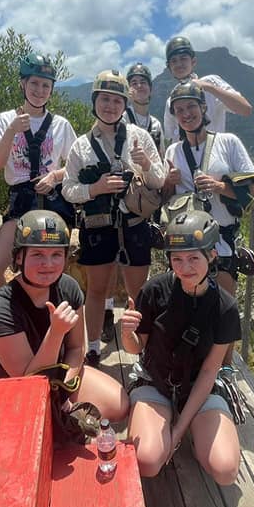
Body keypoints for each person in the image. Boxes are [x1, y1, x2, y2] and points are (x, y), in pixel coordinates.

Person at [120, 210, 241, 484]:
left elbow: (210, 371)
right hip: (156, 381)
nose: (185, 267)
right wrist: (127, 333)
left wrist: (177, 431)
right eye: (177, 259)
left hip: (198, 386)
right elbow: (136, 348)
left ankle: (195, 435)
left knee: (225, 471)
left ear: (211, 256)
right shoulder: (154, 291)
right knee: (149, 462)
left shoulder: (225, 307)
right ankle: (173, 427)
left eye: (193, 258)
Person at [0, 210, 128, 424]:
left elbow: (76, 349)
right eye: (38, 254)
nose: (48, 264)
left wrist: (64, 390)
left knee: (119, 404)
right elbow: (27, 381)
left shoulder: (68, 288)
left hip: (59, 373)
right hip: (15, 385)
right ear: (19, 257)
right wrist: (56, 332)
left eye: (56, 254)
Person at [62, 70, 165, 368]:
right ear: (95, 102)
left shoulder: (139, 137)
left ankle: (143, 348)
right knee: (96, 290)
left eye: (116, 101)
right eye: (104, 99)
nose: (110, 106)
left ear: (124, 104)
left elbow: (157, 181)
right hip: (99, 228)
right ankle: (92, 348)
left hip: (134, 226)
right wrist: (95, 188)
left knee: (139, 293)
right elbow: (69, 189)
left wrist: (145, 163)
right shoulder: (81, 146)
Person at [0, 52, 77, 295]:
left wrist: (54, 176)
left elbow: (77, 166)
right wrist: (12, 130)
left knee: (52, 275)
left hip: (53, 202)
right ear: (23, 84)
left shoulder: (61, 125)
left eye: (46, 85)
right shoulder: (5, 120)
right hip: (21, 201)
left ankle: (52, 322)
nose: (40, 90)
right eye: (34, 83)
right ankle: (16, 313)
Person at [163, 82, 254, 298]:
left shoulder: (228, 143)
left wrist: (220, 187)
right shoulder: (173, 152)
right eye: (179, 110)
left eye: (191, 107)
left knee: (221, 311)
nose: (186, 114)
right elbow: (164, 198)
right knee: (186, 313)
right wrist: (170, 182)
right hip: (185, 248)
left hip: (221, 244)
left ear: (203, 108)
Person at [161, 36, 252, 143]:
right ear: (169, 67)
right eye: (174, 61)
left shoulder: (211, 82)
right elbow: (172, 139)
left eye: (183, 58)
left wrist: (208, 87)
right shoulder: (171, 101)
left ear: (193, 61)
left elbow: (245, 109)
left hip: (216, 155)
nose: (179, 64)